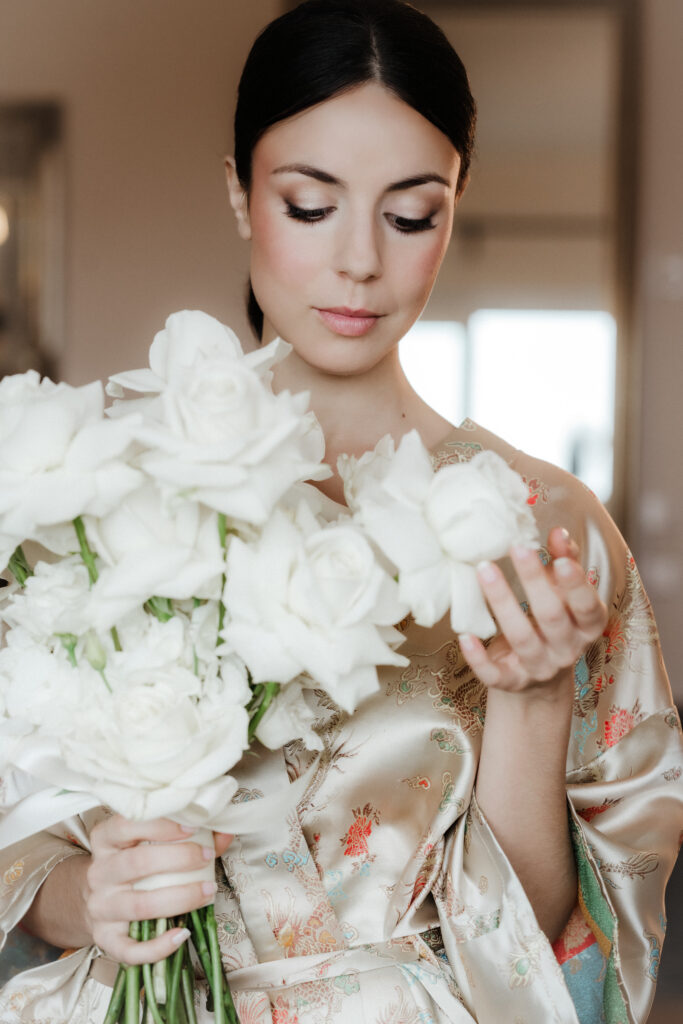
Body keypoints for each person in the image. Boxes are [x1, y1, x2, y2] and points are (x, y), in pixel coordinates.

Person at [1, 1, 681, 1021]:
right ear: (238, 194)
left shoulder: (540, 522)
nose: (358, 260)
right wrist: (82, 894)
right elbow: (28, 838)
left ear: (453, 205)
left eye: (410, 214)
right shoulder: (94, 479)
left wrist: (533, 703)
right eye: (309, 206)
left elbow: (550, 947)